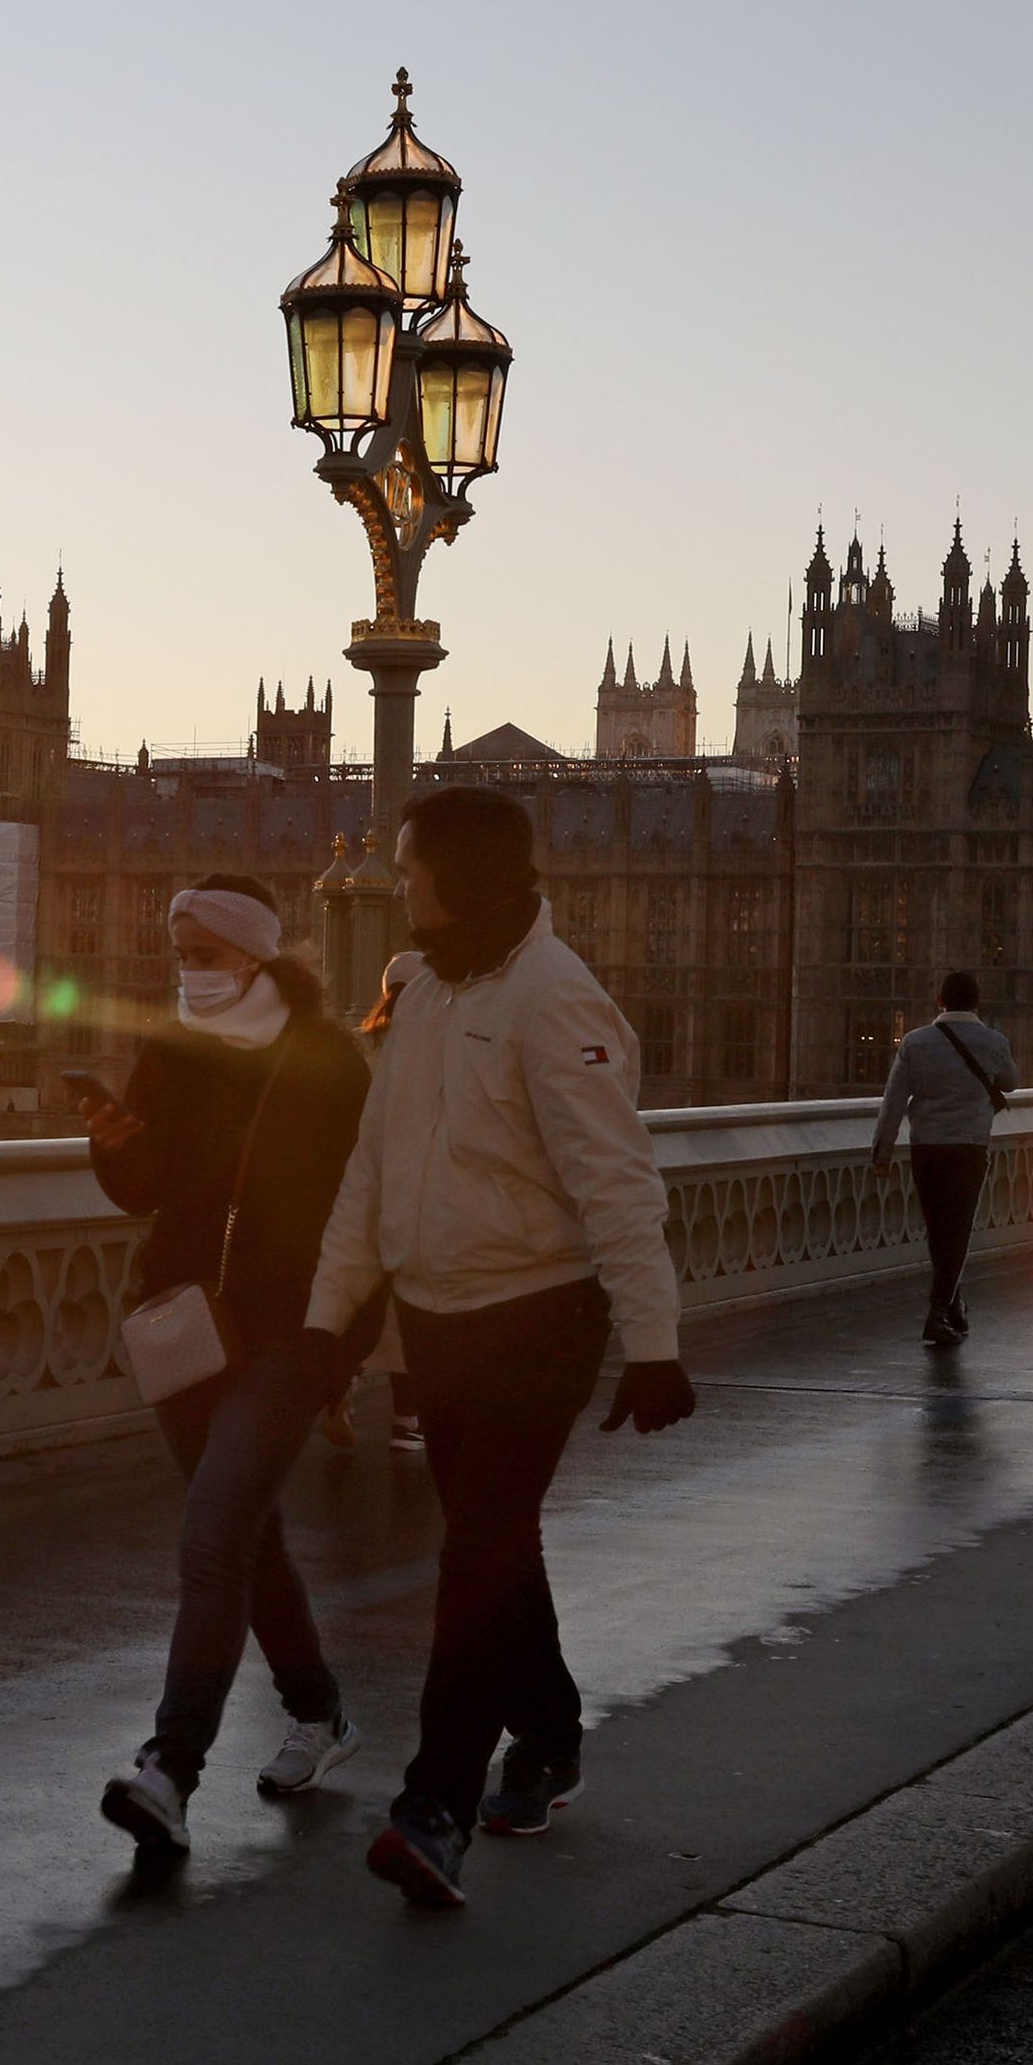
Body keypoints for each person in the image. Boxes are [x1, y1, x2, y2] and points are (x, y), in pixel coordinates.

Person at [301, 786, 691, 1910]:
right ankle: (553, 1733)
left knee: (474, 1552)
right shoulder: (418, 992)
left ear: (459, 880)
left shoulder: (554, 1000)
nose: (396, 882)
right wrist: (334, 1326)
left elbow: (617, 1184)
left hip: (539, 1316)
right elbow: (368, 1179)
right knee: (495, 1545)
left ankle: (433, 1805)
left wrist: (651, 1344)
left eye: (410, 866)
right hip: (438, 1317)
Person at [78, 874, 376, 1857]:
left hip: (291, 1334)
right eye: (180, 956)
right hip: (181, 1321)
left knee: (211, 1536)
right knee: (245, 1536)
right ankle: (319, 1714)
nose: (188, 973)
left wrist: (344, 1350)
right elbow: (148, 1191)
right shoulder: (174, 1045)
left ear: (254, 954)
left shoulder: (328, 1059)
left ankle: (168, 1770)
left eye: (203, 955)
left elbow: (366, 1214)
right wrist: (111, 1148)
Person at [868, 972, 1017, 1342]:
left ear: (940, 1000)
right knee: (959, 1229)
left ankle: (952, 1306)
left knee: (938, 1230)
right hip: (969, 1147)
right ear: (978, 1002)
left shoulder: (915, 1043)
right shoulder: (993, 1041)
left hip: (926, 1147)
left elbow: (893, 1102)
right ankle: (938, 1312)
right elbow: (1011, 1082)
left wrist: (882, 1152)